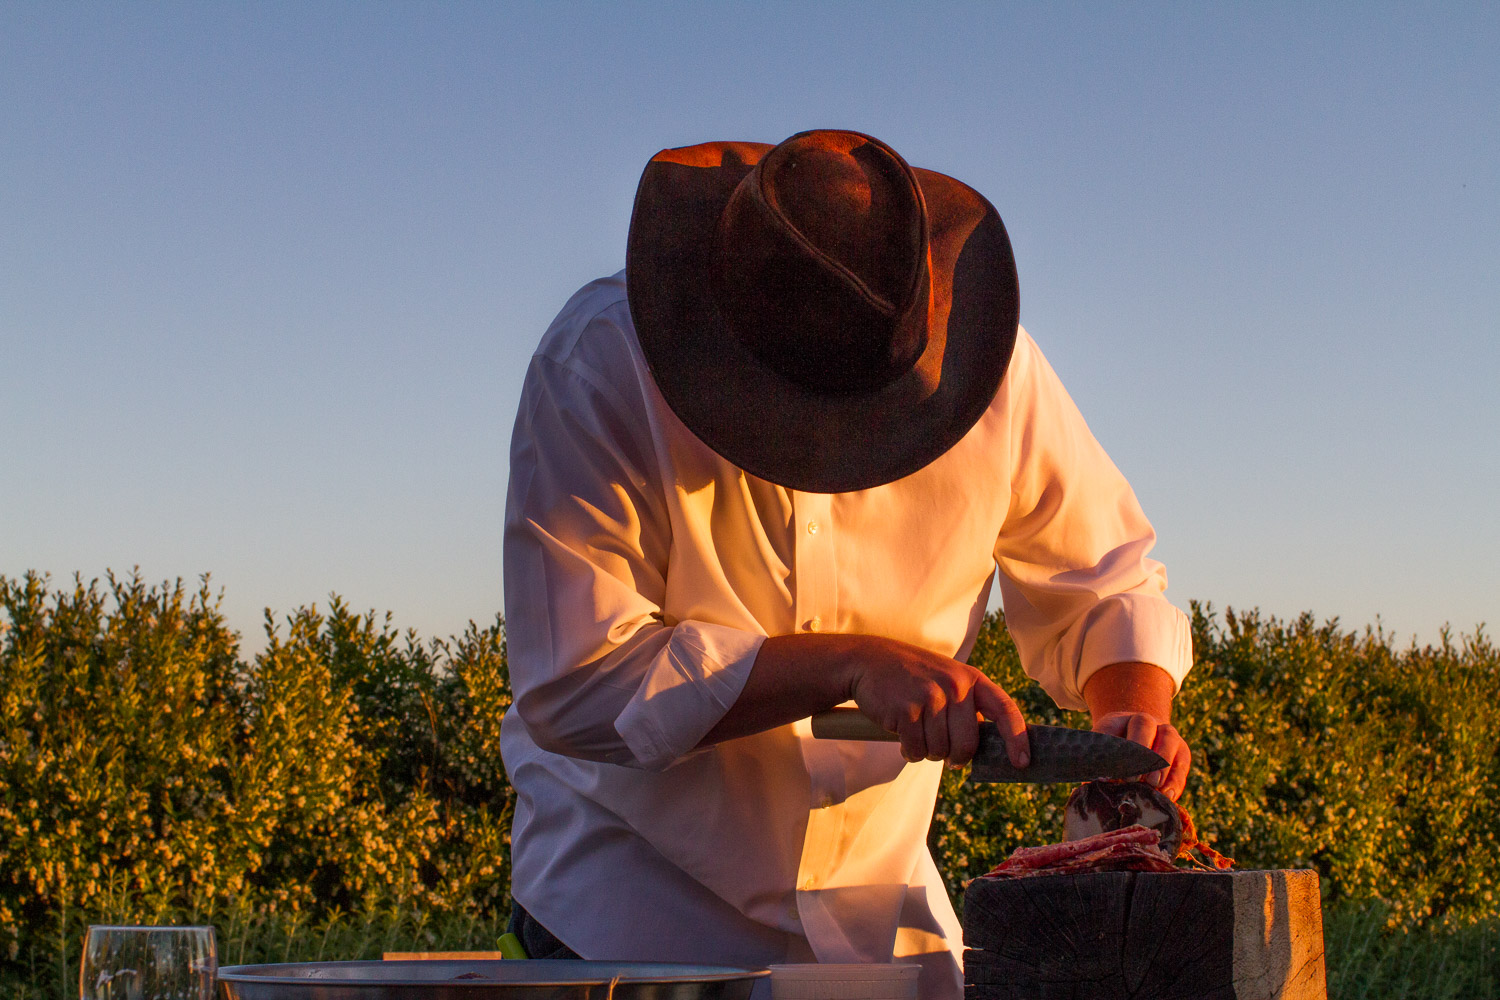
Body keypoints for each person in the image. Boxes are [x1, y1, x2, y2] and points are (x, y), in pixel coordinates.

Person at [500, 130, 1192, 998]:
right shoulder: (600, 363)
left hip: (885, 920)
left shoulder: (1000, 374)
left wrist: (1127, 713)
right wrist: (849, 666)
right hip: (629, 914)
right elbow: (577, 684)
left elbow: (1105, 579)